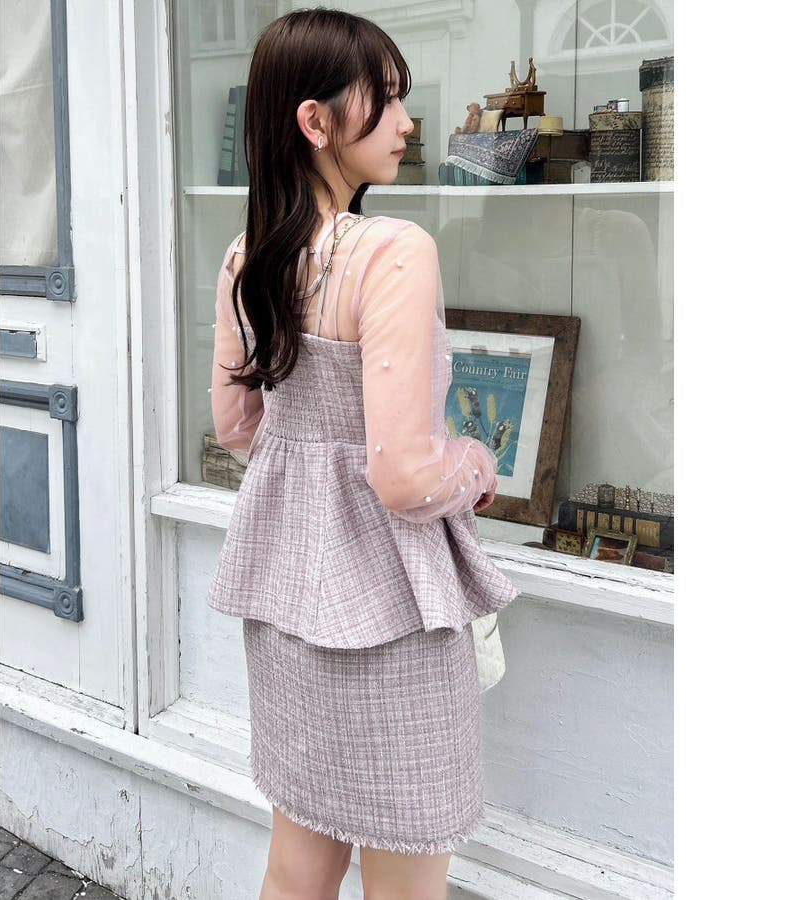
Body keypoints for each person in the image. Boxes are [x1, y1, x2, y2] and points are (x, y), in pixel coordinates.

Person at [208, 9, 519, 899]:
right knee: (406, 879)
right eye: (385, 100)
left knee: (296, 867)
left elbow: (238, 427)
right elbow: (405, 475)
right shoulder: (392, 250)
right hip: (391, 610)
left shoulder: (245, 258)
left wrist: (315, 465)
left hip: (285, 598)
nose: (408, 122)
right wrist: (476, 464)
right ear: (315, 121)